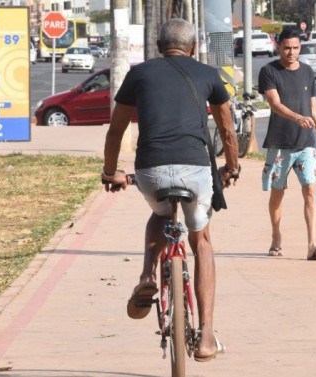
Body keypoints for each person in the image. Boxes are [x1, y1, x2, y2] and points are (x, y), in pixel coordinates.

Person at [101, 18, 239, 362]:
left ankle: (148, 274)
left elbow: (116, 130)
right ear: (192, 48)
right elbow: (227, 129)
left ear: (159, 47)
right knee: (202, 241)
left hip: (151, 169)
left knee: (159, 214)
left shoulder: (140, 74)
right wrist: (232, 167)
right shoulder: (210, 75)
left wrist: (110, 172)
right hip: (195, 169)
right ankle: (206, 335)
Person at [258, 27, 316, 261]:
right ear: (278, 46)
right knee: (277, 193)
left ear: (299, 47)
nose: (291, 53)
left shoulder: (307, 72)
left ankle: (312, 245)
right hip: (280, 144)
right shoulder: (269, 71)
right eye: (286, 48)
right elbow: (273, 103)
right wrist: (297, 118)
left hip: (305, 144)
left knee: (310, 190)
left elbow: (314, 108)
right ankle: (276, 238)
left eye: (295, 48)